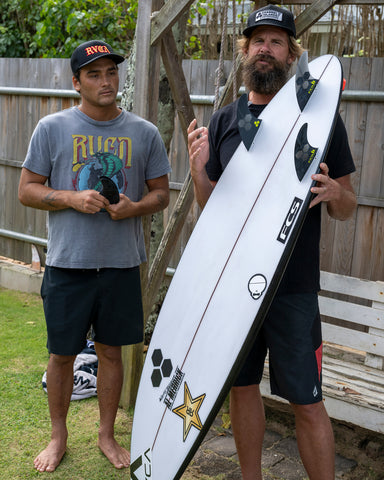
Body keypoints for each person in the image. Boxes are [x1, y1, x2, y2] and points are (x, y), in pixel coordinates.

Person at [187, 5, 356, 480]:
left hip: (293, 288)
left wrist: (336, 193)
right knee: (242, 389)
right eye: (257, 40)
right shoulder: (223, 121)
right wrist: (199, 170)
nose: (265, 48)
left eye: (276, 41)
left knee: (307, 399)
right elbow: (212, 209)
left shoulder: (321, 120)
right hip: (233, 286)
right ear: (246, 51)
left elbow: (347, 205)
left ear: (291, 54)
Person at [18, 40, 171, 473]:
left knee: (110, 353)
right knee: (62, 353)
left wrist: (134, 207)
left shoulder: (144, 133)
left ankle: (106, 434)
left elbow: (160, 194)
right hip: (69, 263)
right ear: (76, 82)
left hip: (121, 264)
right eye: (94, 74)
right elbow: (25, 190)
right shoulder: (52, 128)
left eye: (111, 72)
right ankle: (58, 436)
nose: (106, 82)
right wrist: (69, 197)